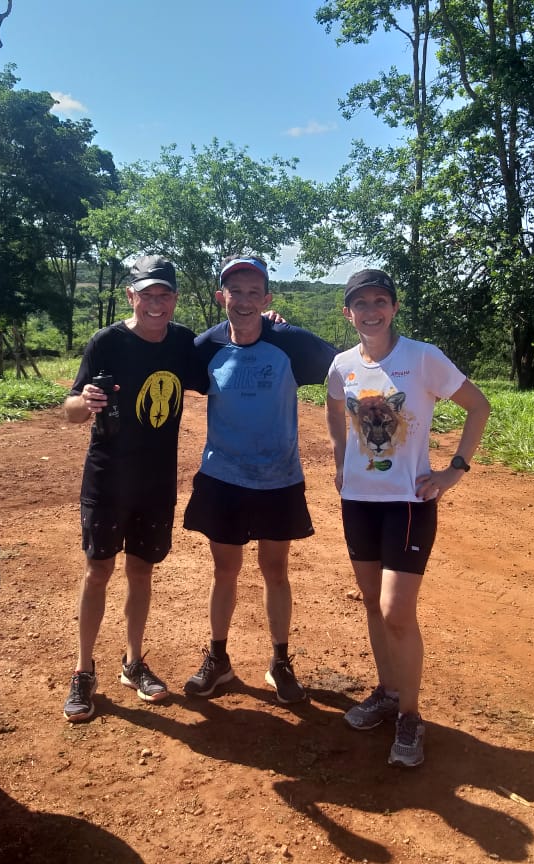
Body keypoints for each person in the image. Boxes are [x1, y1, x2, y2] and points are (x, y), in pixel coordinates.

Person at [325, 268, 490, 768]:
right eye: (361, 303)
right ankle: (388, 691)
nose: (371, 311)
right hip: (358, 501)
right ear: (348, 313)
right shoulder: (342, 365)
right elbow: (333, 407)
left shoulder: (422, 358)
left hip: (409, 503)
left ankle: (410, 716)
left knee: (396, 610)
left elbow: (478, 406)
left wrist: (454, 470)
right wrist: (340, 459)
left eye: (380, 301)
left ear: (394, 308)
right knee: (373, 604)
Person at [182, 254, 337, 704]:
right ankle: (218, 659)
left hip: (278, 477)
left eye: (254, 292)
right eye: (236, 291)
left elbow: (347, 365)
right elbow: (164, 372)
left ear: (267, 299)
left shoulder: (290, 343)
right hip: (223, 477)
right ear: (221, 297)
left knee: (276, 571)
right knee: (225, 570)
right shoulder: (205, 347)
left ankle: (280, 662)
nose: (245, 300)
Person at [61, 255, 208, 722]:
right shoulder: (107, 342)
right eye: (147, 295)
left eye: (164, 294)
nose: (156, 303)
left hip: (156, 479)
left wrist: (269, 322)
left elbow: (229, 347)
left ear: (175, 299)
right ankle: (83, 670)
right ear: (131, 296)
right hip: (107, 476)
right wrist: (84, 402)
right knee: (98, 571)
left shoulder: (182, 342)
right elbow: (70, 410)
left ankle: (133, 662)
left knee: (142, 572)